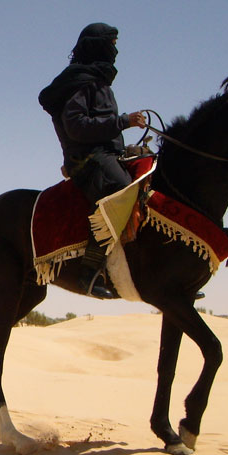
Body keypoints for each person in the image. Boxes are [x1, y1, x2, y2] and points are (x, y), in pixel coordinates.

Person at [39, 22, 147, 298]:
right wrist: (123, 122)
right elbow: (76, 126)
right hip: (87, 159)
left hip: (105, 154)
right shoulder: (79, 82)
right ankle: (89, 271)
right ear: (98, 47)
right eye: (111, 45)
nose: (115, 51)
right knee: (120, 189)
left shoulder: (97, 81)